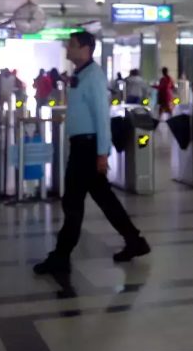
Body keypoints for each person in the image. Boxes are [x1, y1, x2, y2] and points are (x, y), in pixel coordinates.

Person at [33, 31, 150, 275]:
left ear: (85, 49)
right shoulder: (81, 75)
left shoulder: (94, 76)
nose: (67, 48)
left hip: (87, 148)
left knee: (73, 202)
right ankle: (134, 240)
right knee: (104, 198)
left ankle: (61, 256)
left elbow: (101, 117)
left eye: (72, 45)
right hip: (82, 146)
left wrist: (102, 153)